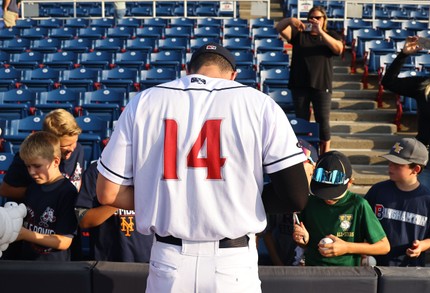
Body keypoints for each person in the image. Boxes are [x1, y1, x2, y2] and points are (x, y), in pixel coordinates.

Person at [96, 42, 310, 293]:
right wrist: (243, 199)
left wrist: (168, 198)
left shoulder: (144, 101)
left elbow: (107, 193)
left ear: (189, 72)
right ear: (233, 75)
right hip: (233, 262)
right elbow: (296, 196)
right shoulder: (259, 103)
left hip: (169, 259)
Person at [0, 108, 84, 260]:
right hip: (34, 241)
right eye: (66, 145)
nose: (72, 148)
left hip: (61, 239)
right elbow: (5, 189)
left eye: (75, 142)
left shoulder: (77, 151)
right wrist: (43, 192)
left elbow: (64, 241)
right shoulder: (30, 159)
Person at [293, 151, 390, 266]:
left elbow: (384, 246)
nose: (328, 198)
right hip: (313, 271)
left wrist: (347, 247)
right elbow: (306, 244)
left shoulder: (358, 205)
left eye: (334, 194)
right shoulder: (310, 202)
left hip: (347, 276)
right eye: (323, 192)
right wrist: (303, 241)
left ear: (350, 182)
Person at [275, 6, 344, 154]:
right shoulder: (300, 34)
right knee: (302, 120)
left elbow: (339, 49)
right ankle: (305, 154)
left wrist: (321, 32)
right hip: (299, 84)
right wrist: (290, 20)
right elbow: (279, 28)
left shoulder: (330, 35)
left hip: (321, 84)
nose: (314, 20)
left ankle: (324, 157)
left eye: (318, 18)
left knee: (323, 122)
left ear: (324, 20)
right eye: (311, 18)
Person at [364, 137, 430, 266]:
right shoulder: (378, 191)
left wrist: (422, 246)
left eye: (397, 164)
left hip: (408, 272)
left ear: (416, 169)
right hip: (375, 267)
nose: (390, 167)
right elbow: (361, 222)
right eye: (390, 162)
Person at [381, 36, 430, 196]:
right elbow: (388, 82)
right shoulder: (424, 86)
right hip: (424, 157)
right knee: (420, 202)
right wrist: (404, 54)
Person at [75, 160, 153, 262]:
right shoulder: (98, 170)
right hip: (107, 263)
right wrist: (118, 199)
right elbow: (83, 220)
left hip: (147, 261)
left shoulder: (152, 169)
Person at [262, 139, 318, 266]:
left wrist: (308, 244)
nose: (294, 170)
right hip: (281, 260)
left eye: (300, 163)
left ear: (313, 167)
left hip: (312, 266)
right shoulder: (277, 193)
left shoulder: (321, 196)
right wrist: (278, 265)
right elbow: (266, 233)